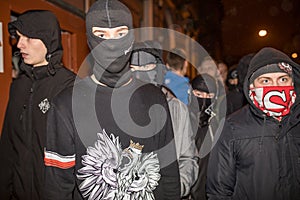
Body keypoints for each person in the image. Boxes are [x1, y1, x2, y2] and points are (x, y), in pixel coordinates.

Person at [44, 1, 180, 199]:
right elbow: (56, 189)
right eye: (101, 35)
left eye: (120, 33)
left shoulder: (154, 98)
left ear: (131, 37)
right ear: (90, 40)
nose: (112, 43)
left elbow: (169, 177)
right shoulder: (65, 105)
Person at [0, 10, 76, 199]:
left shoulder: (70, 86)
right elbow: (8, 147)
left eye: (29, 38)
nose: (20, 45)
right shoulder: (19, 85)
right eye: (19, 37)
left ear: (48, 41)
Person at [206, 47, 300, 200]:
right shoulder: (232, 128)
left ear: (293, 82)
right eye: (265, 81)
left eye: (283, 79)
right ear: (252, 86)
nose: (275, 87)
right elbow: (218, 192)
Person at [130, 40, 199, 198]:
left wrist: (175, 189)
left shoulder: (176, 108)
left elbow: (188, 158)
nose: (139, 73)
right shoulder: (115, 109)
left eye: (147, 67)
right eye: (133, 68)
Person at [189, 73, 218, 200]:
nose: (204, 100)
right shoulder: (181, 119)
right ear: (191, 93)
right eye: (199, 95)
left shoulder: (217, 123)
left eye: (209, 96)